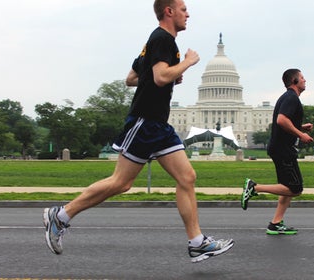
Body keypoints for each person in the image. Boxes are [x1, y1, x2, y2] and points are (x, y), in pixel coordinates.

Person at [43, 0, 234, 263]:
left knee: (187, 177)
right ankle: (61, 215)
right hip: (145, 122)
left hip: (159, 125)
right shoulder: (163, 40)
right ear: (169, 11)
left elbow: (132, 78)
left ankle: (197, 242)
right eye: (183, 9)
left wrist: (169, 72)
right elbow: (159, 78)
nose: (188, 14)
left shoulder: (154, 43)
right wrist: (185, 64)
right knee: (121, 183)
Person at [241, 68, 313, 235]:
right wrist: (301, 134)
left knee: (286, 187)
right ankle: (254, 188)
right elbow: (281, 121)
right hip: (283, 149)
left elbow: (281, 122)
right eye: (302, 78)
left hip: (281, 147)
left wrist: (301, 127)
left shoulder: (287, 97)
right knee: (295, 189)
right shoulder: (291, 98)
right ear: (294, 81)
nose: (305, 80)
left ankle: (275, 223)